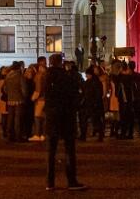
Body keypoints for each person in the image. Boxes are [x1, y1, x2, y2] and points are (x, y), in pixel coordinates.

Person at [44, 53, 87, 191]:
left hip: (51, 116)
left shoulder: (45, 77)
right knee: (69, 149)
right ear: (60, 62)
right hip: (66, 116)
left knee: (51, 151)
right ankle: (71, 181)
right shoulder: (66, 77)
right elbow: (74, 94)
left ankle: (50, 182)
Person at [5, 62, 29, 141]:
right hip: (19, 100)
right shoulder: (20, 76)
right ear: (19, 68)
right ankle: (18, 136)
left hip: (10, 99)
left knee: (10, 118)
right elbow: (24, 89)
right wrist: (25, 97)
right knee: (18, 119)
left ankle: (10, 135)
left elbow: (5, 89)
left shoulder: (8, 76)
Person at [80, 66, 104, 141]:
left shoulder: (89, 82)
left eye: (87, 74)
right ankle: (100, 135)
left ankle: (84, 135)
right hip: (93, 104)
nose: (86, 76)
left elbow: (84, 93)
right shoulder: (96, 82)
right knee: (96, 120)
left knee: (87, 120)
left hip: (90, 104)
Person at [29, 56, 48, 141]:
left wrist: (33, 98)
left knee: (37, 117)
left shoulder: (39, 76)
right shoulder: (47, 74)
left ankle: (37, 134)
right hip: (46, 98)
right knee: (44, 117)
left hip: (40, 99)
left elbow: (38, 89)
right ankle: (43, 135)